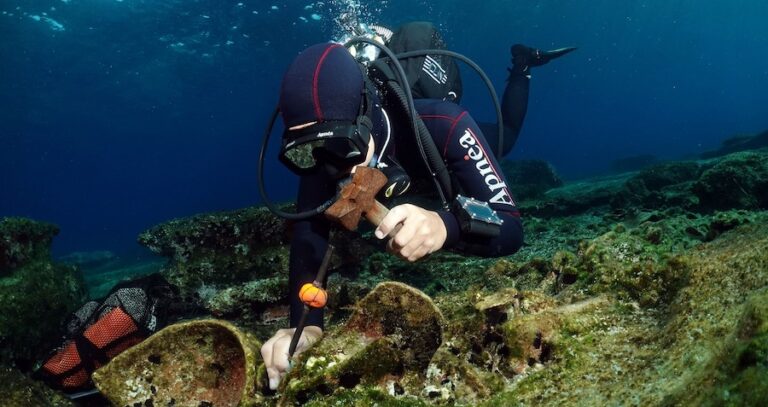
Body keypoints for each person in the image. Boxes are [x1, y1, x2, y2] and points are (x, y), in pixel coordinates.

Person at [260, 23, 575, 390]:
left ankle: (522, 64)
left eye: (343, 148)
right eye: (306, 153)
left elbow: (511, 227)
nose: (331, 169)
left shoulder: (444, 123)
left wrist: (446, 226)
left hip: (433, 158)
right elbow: (309, 238)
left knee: (507, 137)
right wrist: (309, 324)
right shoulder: (324, 153)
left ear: (366, 117)